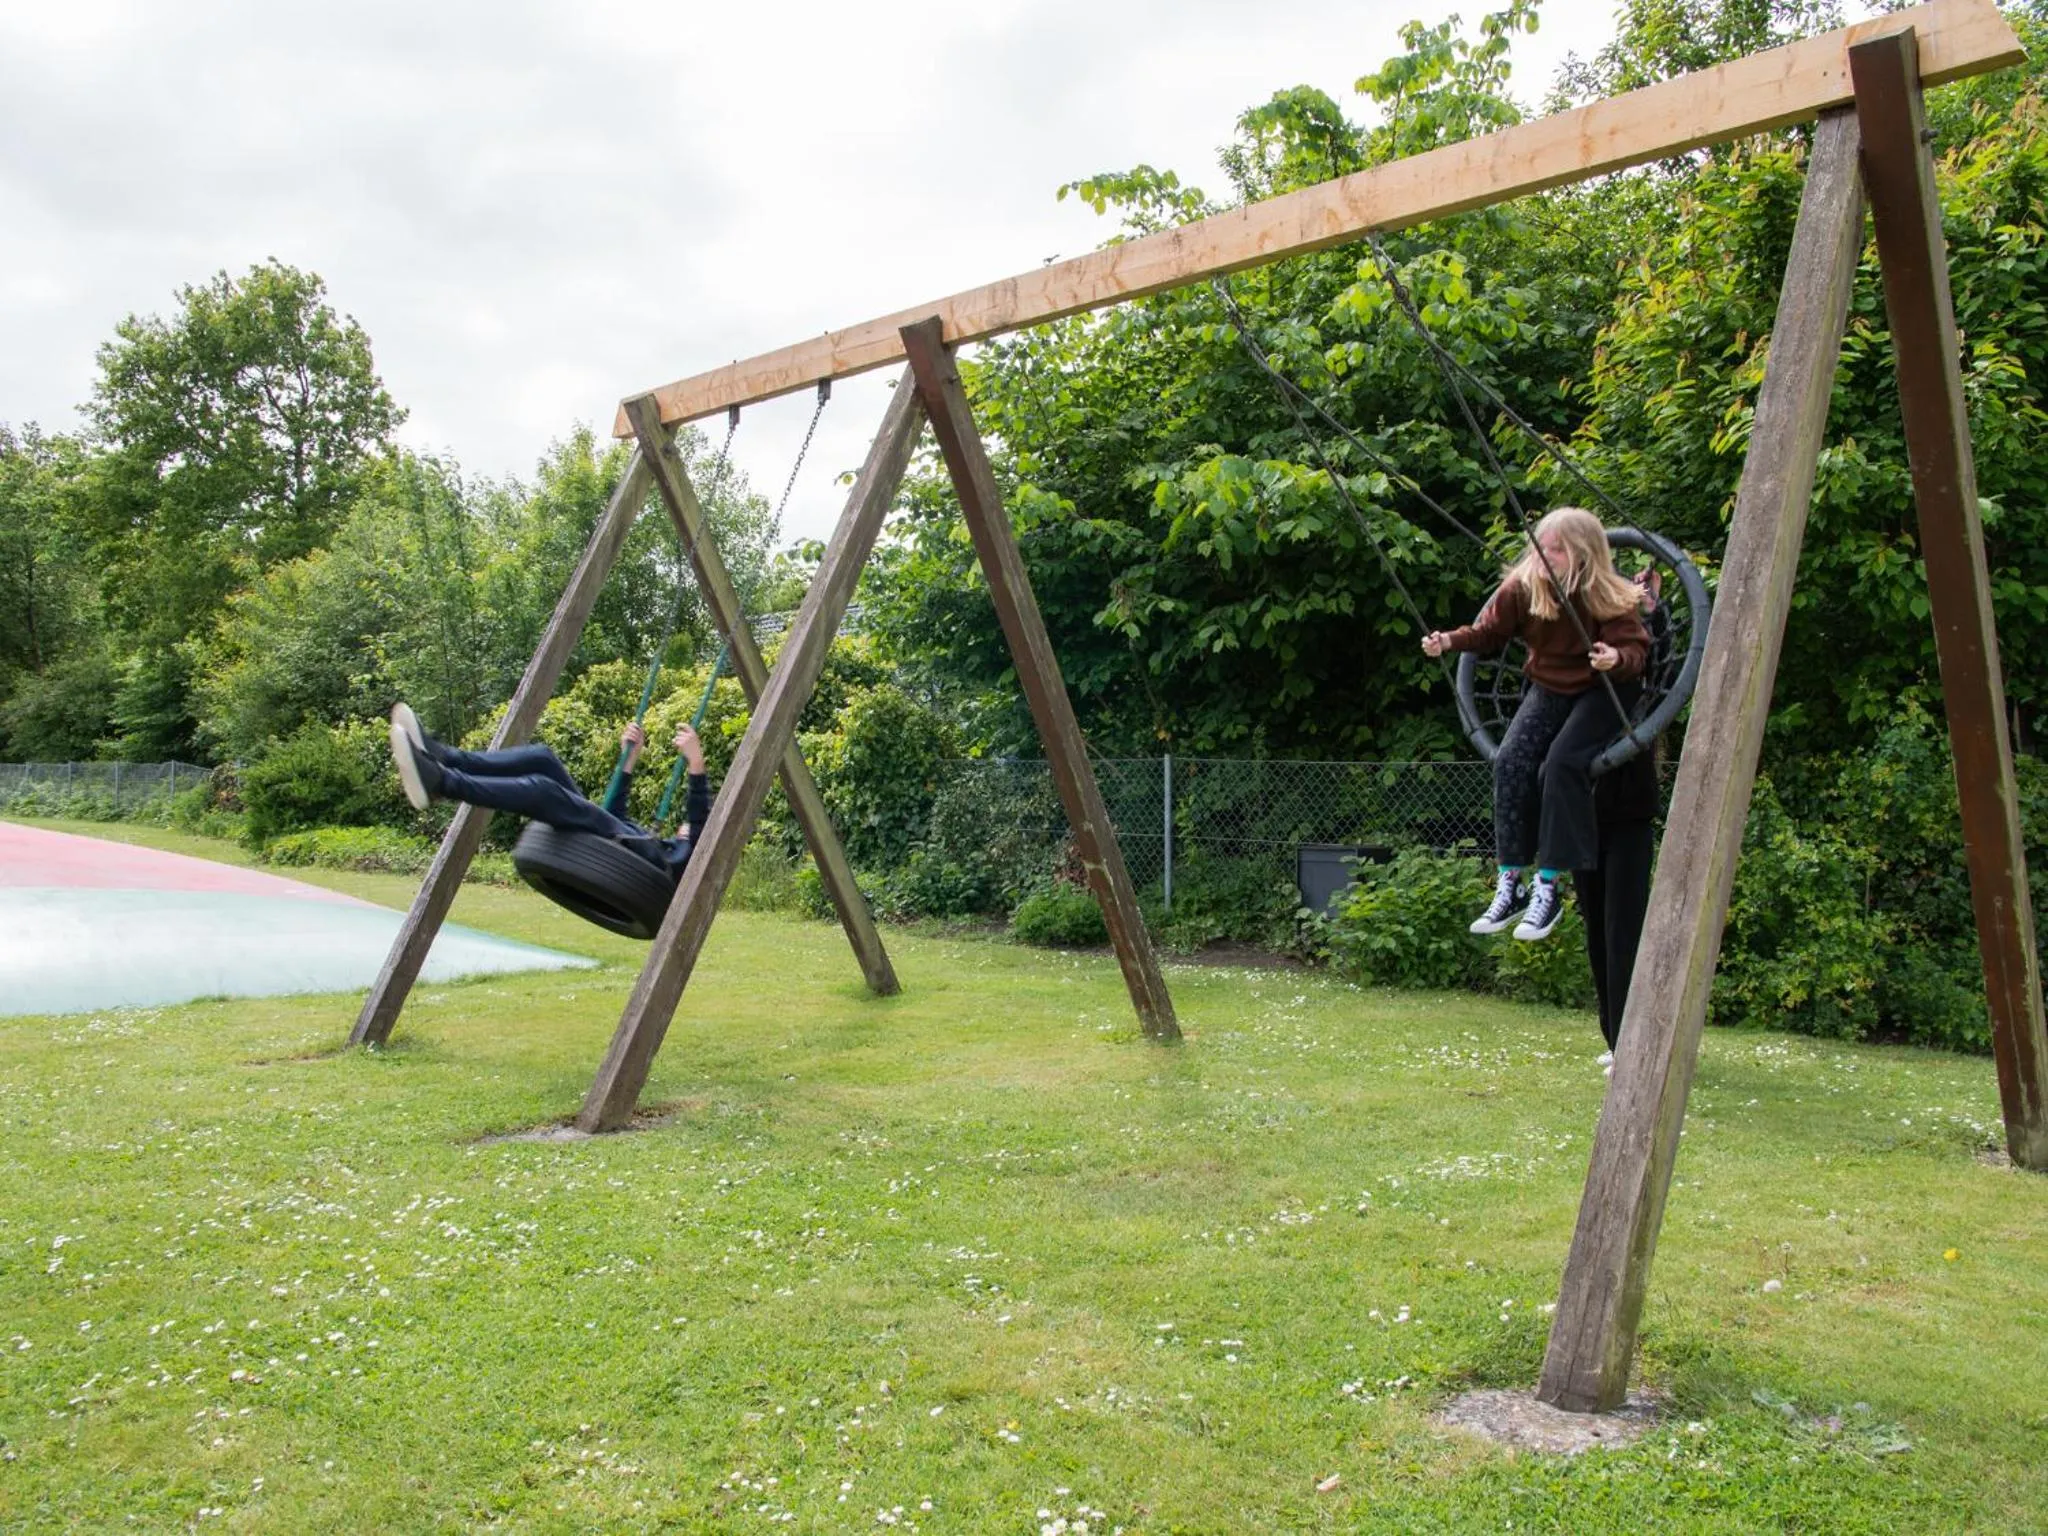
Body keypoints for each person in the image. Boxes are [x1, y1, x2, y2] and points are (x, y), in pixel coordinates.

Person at [1421, 506, 1649, 942]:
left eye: (1558, 550)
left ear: (1582, 555)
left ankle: (1549, 885)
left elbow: (1636, 653)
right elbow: (1488, 634)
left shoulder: (1607, 594)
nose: (1546, 556)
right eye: (1541, 546)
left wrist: (1615, 658)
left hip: (1605, 688)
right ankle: (1512, 881)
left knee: (1560, 765)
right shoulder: (1525, 587)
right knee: (1510, 761)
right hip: (1550, 687)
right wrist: (1448, 640)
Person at [387, 703, 711, 885]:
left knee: (544, 792)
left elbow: (699, 821)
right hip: (607, 836)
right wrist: (629, 760)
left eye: (693, 827)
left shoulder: (683, 862)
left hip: (603, 849)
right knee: (542, 757)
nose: (685, 824)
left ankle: (443, 782)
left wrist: (696, 761)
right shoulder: (660, 845)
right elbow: (614, 817)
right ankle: (446, 757)